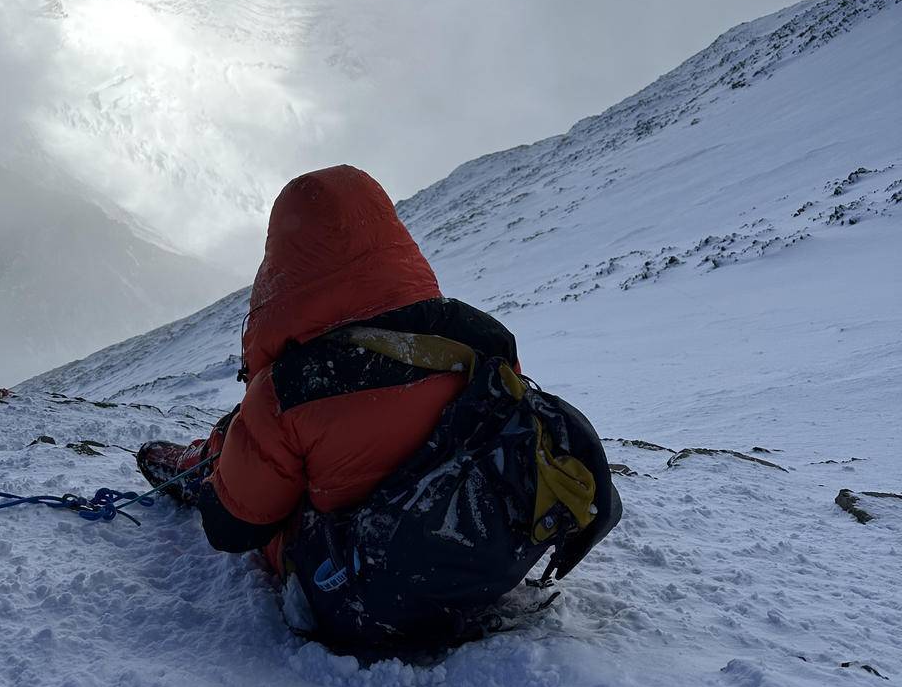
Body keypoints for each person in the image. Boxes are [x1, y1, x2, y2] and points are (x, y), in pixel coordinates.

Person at [137, 164, 620, 651]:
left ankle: (205, 466)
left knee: (260, 482)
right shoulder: (480, 337)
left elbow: (234, 528)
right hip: (486, 554)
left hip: (359, 592)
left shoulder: (290, 387)